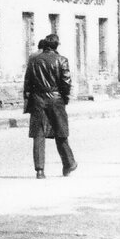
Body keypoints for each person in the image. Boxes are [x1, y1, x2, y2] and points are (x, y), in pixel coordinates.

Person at [23, 33, 76, 179]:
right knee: (61, 133)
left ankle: (40, 171)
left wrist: (29, 100)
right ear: (56, 46)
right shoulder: (62, 60)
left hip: (38, 100)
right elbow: (66, 82)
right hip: (56, 99)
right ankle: (69, 163)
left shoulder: (34, 60)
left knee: (38, 135)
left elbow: (27, 82)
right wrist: (64, 99)